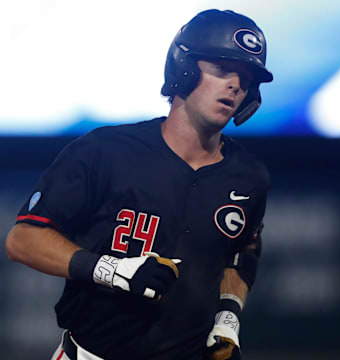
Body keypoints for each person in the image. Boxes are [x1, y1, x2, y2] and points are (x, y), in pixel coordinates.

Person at [6, 9, 273, 360]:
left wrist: (227, 316)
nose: (235, 85)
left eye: (246, 77)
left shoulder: (249, 176)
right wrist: (109, 269)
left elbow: (240, 256)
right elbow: (23, 239)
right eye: (222, 69)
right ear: (185, 68)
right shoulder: (104, 151)